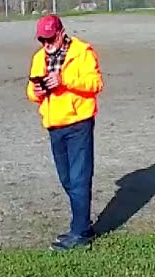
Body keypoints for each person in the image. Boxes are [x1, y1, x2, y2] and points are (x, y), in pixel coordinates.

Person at [26, 14, 104, 250]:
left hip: (78, 122)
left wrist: (64, 80)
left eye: (50, 39)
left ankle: (79, 234)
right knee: (67, 179)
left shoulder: (82, 52)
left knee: (79, 178)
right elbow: (30, 92)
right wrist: (38, 90)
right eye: (42, 40)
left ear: (60, 33)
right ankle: (82, 225)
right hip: (54, 124)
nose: (46, 44)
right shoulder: (39, 58)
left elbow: (96, 84)